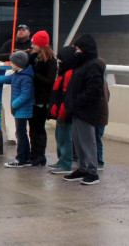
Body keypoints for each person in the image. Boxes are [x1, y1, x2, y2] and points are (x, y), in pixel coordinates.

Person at [63, 34, 104, 186]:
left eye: (78, 49)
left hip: (85, 110)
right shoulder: (81, 65)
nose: (76, 52)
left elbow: (94, 89)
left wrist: (77, 102)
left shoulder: (94, 65)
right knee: (78, 140)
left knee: (88, 140)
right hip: (77, 109)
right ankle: (82, 168)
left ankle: (92, 171)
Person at [0, 50, 34, 167]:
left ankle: (21, 159)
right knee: (21, 133)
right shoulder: (18, 74)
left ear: (18, 64)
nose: (10, 64)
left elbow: (26, 94)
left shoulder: (25, 78)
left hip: (21, 110)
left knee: (21, 134)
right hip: (19, 110)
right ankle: (26, 158)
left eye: (12, 63)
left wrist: (14, 105)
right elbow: (7, 79)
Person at [28, 31, 57, 166]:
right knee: (33, 128)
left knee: (39, 129)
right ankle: (34, 154)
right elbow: (16, 57)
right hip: (34, 99)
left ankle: (39, 156)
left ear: (41, 45)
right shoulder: (34, 56)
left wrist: (34, 74)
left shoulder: (51, 61)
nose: (32, 45)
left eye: (34, 43)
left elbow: (49, 81)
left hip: (41, 100)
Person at [47, 46, 77, 174]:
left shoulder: (69, 75)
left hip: (64, 114)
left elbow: (67, 96)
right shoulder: (64, 74)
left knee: (65, 138)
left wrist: (62, 114)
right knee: (60, 137)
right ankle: (61, 161)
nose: (59, 63)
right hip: (60, 113)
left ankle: (65, 163)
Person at [96, 58, 110, 170]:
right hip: (103, 117)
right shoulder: (104, 82)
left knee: (96, 139)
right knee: (97, 138)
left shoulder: (98, 82)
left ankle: (99, 161)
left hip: (99, 117)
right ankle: (98, 160)